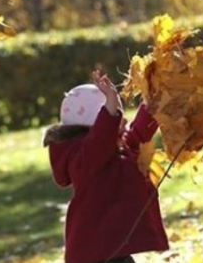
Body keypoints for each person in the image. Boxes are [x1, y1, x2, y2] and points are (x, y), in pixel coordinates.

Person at [43, 71, 169, 263]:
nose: (123, 120)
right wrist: (109, 106)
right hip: (94, 253)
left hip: (112, 248)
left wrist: (152, 104)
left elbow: (136, 136)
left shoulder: (113, 150)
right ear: (96, 125)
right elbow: (99, 142)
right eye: (116, 114)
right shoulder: (85, 161)